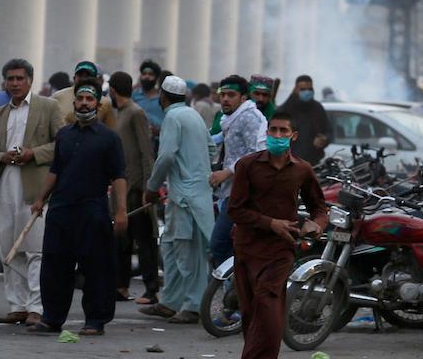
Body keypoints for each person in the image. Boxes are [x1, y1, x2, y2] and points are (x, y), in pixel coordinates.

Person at [228, 111, 328, 359]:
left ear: (293, 136)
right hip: (247, 247)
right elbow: (235, 210)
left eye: (284, 131)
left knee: (268, 303)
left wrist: (316, 225)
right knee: (250, 310)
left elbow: (319, 207)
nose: (278, 136)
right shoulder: (247, 166)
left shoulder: (302, 170)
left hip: (281, 250)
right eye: (273, 130)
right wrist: (270, 223)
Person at [28, 84, 127, 335]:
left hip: (92, 210)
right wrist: (41, 198)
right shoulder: (64, 135)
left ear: (98, 105)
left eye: (89, 99)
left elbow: (118, 177)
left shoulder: (109, 138)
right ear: (74, 104)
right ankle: (52, 318)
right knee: (54, 265)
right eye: (80, 99)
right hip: (61, 209)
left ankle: (95, 320)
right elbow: (55, 170)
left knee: (96, 267)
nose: (84, 103)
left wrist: (121, 211)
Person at [0, 58, 63, 325]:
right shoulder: (0, 112)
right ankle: (16, 305)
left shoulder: (48, 107)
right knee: (9, 247)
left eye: (20, 78)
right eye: (11, 79)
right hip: (5, 184)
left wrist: (33, 154)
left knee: (36, 248)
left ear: (30, 80)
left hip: (36, 187)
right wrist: (2, 157)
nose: (15, 83)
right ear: (5, 82)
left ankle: (36, 307)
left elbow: (61, 144)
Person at [139, 77, 216, 324]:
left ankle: (194, 306)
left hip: (186, 198)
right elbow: (211, 149)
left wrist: (151, 187)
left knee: (188, 251)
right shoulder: (193, 115)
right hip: (188, 195)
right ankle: (170, 302)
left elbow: (167, 156)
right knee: (170, 247)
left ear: (163, 96)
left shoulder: (172, 118)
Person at [107, 71, 161, 304]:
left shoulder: (135, 113)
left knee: (144, 239)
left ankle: (151, 290)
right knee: (122, 239)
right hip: (121, 186)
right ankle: (121, 286)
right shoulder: (117, 113)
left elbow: (146, 152)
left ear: (112, 90)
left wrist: (149, 188)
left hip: (137, 188)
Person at [208, 75, 267, 267]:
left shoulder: (249, 118)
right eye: (222, 94)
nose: (225, 99)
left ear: (243, 98)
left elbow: (256, 154)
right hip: (230, 191)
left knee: (219, 243)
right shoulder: (230, 118)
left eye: (230, 95)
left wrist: (227, 172)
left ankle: (234, 288)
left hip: (243, 193)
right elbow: (218, 139)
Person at [276, 75, 332, 165]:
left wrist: (324, 139)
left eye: (310, 89)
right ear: (296, 90)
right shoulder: (286, 109)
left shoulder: (317, 108)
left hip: (313, 163)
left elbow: (329, 131)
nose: (307, 92)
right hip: (289, 163)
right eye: (303, 89)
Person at [52, 60, 117, 129]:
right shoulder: (58, 97)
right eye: (80, 75)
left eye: (88, 76)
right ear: (74, 78)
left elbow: (111, 130)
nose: (83, 79)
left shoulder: (105, 102)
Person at [132, 59, 164, 137]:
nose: (146, 76)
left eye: (150, 74)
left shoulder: (163, 98)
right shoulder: (134, 95)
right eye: (144, 74)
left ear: (156, 78)